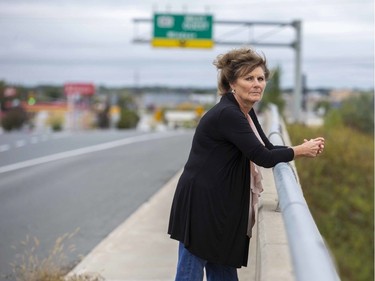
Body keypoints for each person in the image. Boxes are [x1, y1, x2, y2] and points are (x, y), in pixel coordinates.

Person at [167, 47, 325, 281]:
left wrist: (301, 150)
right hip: (202, 203)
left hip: (222, 204)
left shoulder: (244, 111)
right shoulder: (229, 114)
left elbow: (267, 148)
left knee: (223, 269)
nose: (256, 84)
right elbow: (263, 157)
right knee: (190, 272)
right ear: (232, 83)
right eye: (248, 78)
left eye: (260, 79)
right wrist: (300, 150)